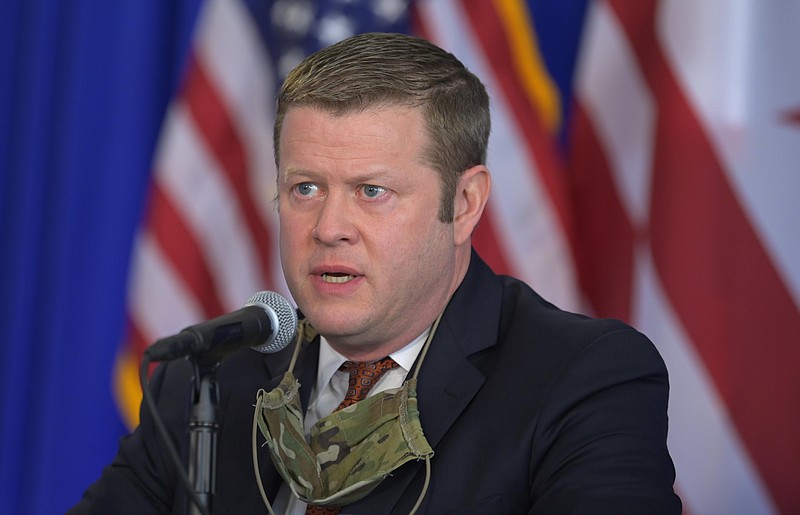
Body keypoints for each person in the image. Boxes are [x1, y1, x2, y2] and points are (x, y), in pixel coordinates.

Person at [70, 32, 681, 514]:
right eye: (305, 188)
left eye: (372, 191)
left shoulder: (582, 378)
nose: (330, 226)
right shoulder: (207, 382)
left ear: (464, 205)